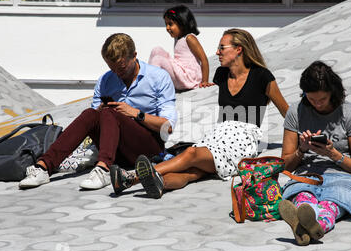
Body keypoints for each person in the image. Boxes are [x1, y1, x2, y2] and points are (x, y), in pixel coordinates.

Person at [110, 28, 289, 198]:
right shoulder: (221, 74)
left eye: (222, 48)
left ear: (238, 50)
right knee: (191, 173)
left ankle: (131, 178)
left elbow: (287, 113)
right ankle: (160, 183)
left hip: (242, 141)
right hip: (218, 135)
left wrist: (302, 142)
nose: (217, 52)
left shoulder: (262, 76)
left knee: (189, 154)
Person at [19, 33, 177, 190]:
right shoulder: (106, 80)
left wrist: (136, 113)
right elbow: (92, 121)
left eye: (121, 68)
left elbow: (167, 127)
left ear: (134, 56)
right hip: (117, 150)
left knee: (110, 113)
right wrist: (100, 112)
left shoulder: (158, 77)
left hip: (148, 149)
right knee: (91, 114)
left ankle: (104, 169)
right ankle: (44, 166)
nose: (117, 73)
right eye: (112, 68)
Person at [278, 60, 351, 246]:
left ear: (333, 93)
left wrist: (333, 154)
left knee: (331, 203)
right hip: (306, 176)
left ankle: (310, 227)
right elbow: (284, 165)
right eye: (311, 99)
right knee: (304, 199)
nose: (317, 104)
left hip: (341, 177)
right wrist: (302, 149)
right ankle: (308, 223)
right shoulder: (295, 112)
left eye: (322, 99)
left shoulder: (349, 113)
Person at [148, 5, 209, 90]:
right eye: (166, 24)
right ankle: (150, 82)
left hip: (188, 77)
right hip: (180, 74)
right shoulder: (178, 38)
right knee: (156, 50)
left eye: (170, 24)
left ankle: (149, 87)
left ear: (182, 23)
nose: (167, 28)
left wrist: (205, 81)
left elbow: (204, 60)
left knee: (158, 59)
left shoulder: (190, 38)